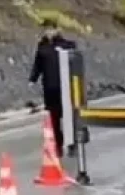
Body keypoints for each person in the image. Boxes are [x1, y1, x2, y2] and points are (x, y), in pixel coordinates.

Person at [29, 19, 77, 156]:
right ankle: (58, 145)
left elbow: (75, 61)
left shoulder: (66, 45)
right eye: (46, 29)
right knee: (54, 119)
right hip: (50, 88)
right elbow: (37, 65)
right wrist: (33, 79)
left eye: (50, 29)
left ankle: (72, 143)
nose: (48, 32)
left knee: (68, 117)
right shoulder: (42, 46)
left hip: (65, 87)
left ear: (57, 30)